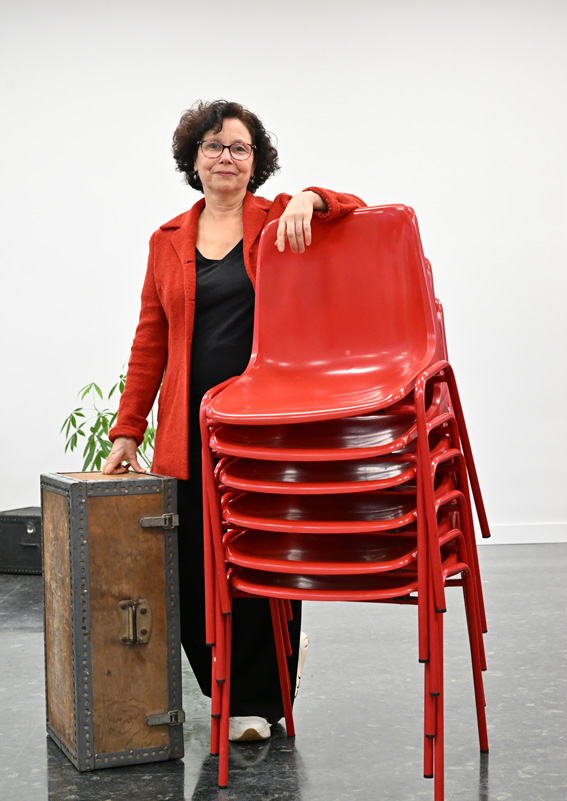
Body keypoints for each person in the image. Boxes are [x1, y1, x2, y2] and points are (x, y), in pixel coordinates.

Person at [103, 100, 364, 742]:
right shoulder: (166, 240)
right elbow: (150, 341)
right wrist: (128, 430)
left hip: (262, 431)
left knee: (262, 564)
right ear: (193, 160)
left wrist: (312, 198)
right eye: (214, 146)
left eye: (240, 147)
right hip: (187, 432)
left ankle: (259, 700)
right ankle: (220, 683)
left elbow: (355, 209)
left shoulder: (278, 220)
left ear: (256, 161)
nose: (227, 157)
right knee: (190, 571)